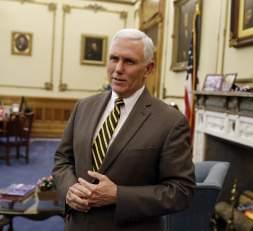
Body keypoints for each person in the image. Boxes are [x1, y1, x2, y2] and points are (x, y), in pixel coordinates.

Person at [52, 28, 195, 231]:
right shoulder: (83, 106)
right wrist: (69, 189)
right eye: (113, 59)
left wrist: (118, 195)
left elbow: (181, 192)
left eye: (129, 61)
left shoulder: (171, 122)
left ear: (149, 68)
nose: (118, 68)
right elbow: (62, 159)